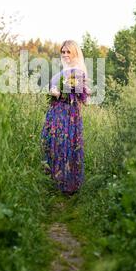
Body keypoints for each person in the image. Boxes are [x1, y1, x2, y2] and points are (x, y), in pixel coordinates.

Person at [40, 40, 91, 196]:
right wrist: (52, 92)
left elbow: (79, 98)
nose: (65, 55)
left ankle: (67, 184)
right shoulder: (63, 70)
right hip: (55, 112)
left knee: (65, 145)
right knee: (51, 142)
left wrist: (59, 94)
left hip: (67, 114)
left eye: (68, 52)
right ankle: (53, 181)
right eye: (63, 52)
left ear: (75, 53)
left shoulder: (78, 72)